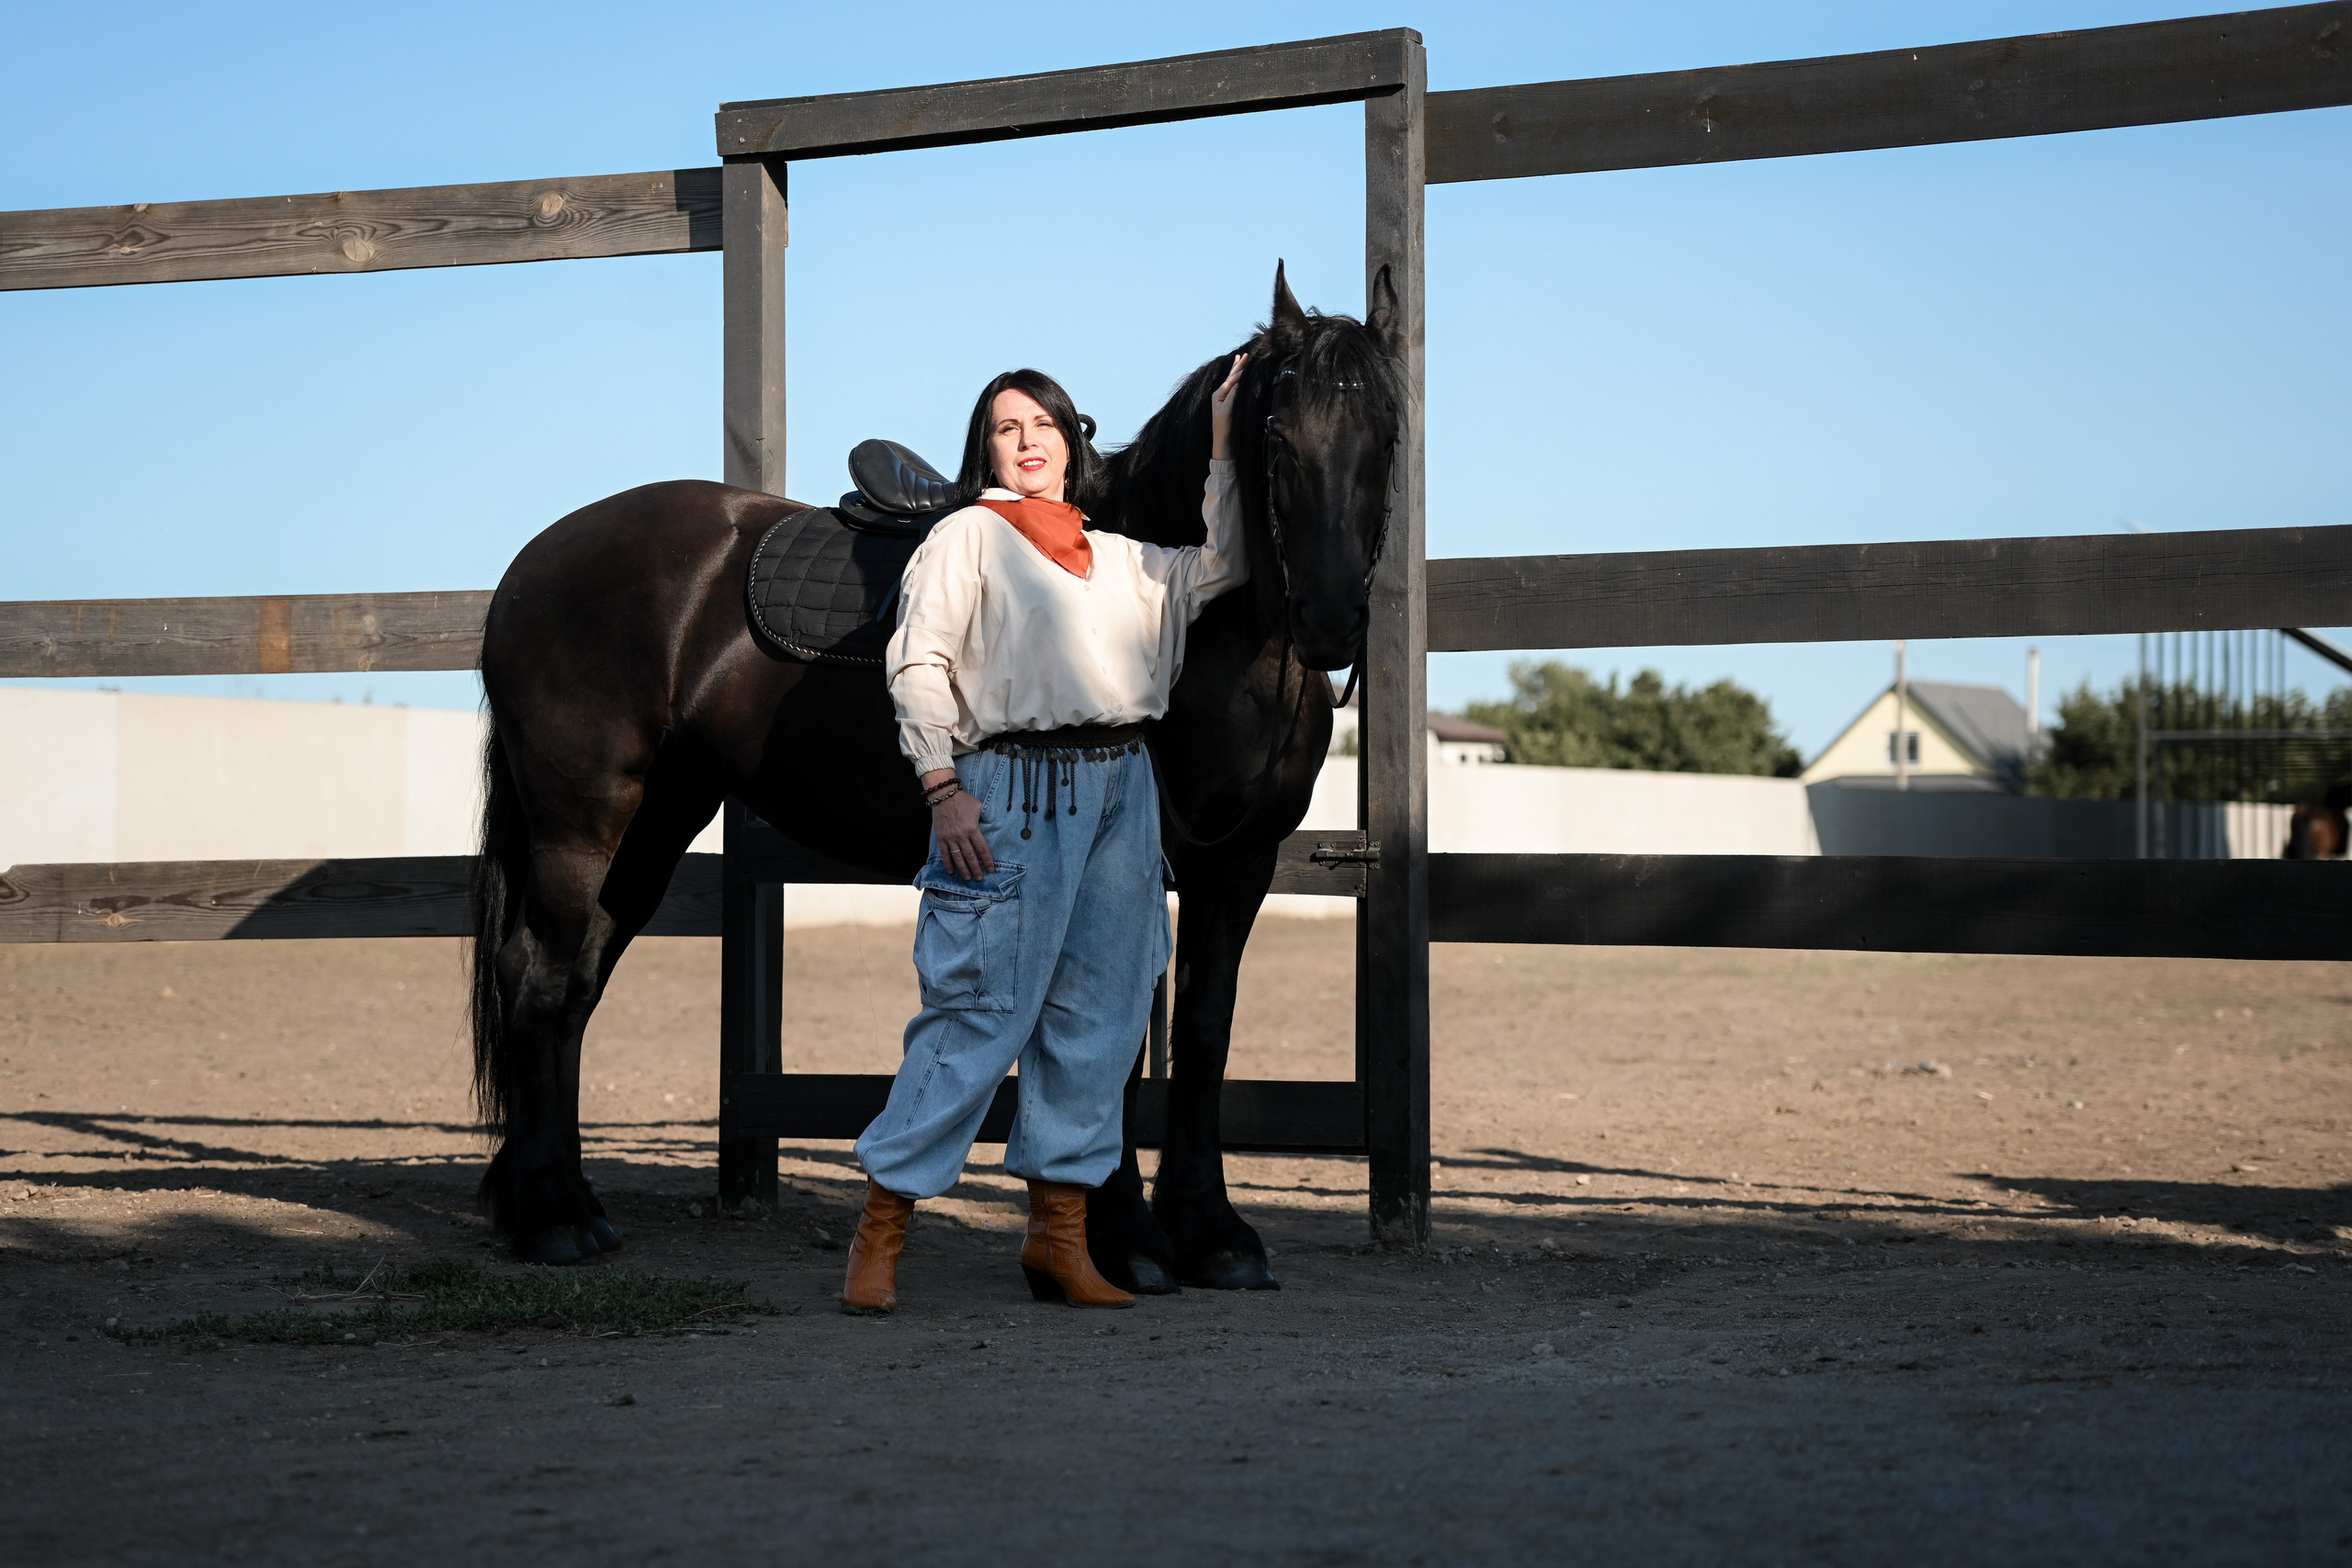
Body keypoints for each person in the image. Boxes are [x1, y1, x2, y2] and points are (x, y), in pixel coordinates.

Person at [842, 355, 1251, 1314]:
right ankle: (881, 1229)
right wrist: (941, 787)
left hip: (1121, 791)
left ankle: (1059, 1241)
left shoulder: (1123, 558)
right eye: (1005, 428)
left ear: (1072, 443)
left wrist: (1225, 439)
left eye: (1043, 426)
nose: (1026, 443)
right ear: (985, 448)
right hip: (1008, 788)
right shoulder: (965, 538)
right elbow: (919, 663)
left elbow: (1224, 561)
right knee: (976, 1013)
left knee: (1100, 1021)